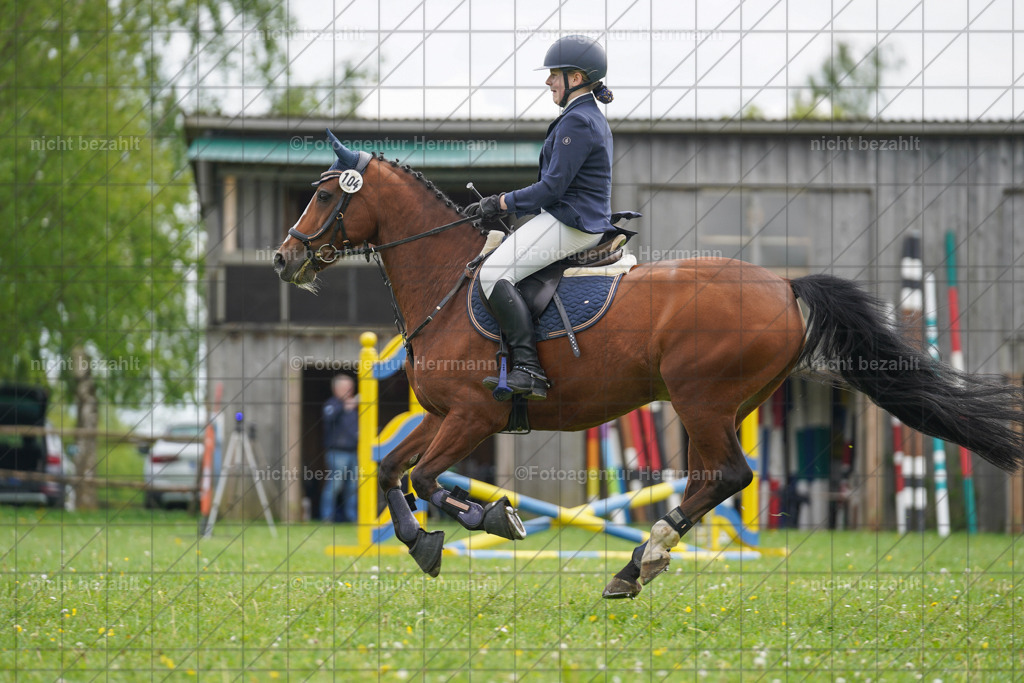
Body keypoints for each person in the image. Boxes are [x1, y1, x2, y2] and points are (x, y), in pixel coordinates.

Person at [467, 34, 616, 401]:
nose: (548, 81)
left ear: (576, 78)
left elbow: (551, 189)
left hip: (573, 222)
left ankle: (529, 368)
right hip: (570, 217)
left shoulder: (578, 121)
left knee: (492, 273)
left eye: (554, 74)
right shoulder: (582, 116)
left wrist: (500, 203)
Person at [321, 374, 359, 522]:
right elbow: (329, 417)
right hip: (337, 453)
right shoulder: (331, 405)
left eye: (350, 387)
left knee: (352, 487)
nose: (349, 390)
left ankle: (352, 517)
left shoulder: (353, 409)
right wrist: (343, 406)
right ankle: (326, 516)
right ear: (336, 389)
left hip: (353, 453)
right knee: (335, 485)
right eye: (345, 387)